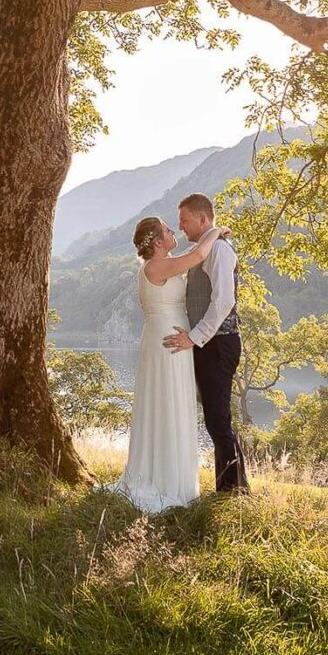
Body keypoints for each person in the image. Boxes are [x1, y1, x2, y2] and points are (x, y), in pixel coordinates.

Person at [111, 213, 222, 512]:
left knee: (171, 403)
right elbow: (198, 253)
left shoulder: (157, 264)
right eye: (168, 230)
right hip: (167, 342)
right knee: (167, 403)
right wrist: (216, 230)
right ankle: (165, 482)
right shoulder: (157, 266)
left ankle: (173, 478)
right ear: (159, 242)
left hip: (169, 337)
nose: (174, 232)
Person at [163, 192, 249, 494]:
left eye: (184, 221)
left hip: (220, 344)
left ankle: (233, 491)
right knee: (216, 418)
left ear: (202, 219)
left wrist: (195, 337)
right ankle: (234, 486)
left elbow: (224, 300)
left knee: (217, 419)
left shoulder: (220, 252)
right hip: (209, 345)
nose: (182, 227)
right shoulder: (205, 248)